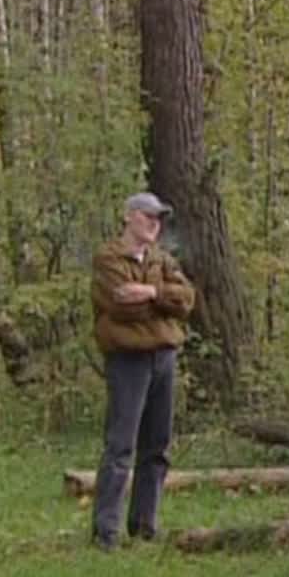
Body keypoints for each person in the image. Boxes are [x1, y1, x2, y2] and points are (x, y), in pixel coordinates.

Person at [89, 192, 195, 550]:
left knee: (157, 446)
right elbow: (121, 307)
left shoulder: (161, 259)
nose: (154, 224)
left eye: (158, 218)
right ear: (129, 217)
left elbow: (187, 299)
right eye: (148, 216)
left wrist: (150, 292)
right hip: (127, 359)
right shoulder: (108, 258)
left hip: (164, 356)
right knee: (120, 445)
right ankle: (106, 530)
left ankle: (144, 525)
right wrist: (163, 302)